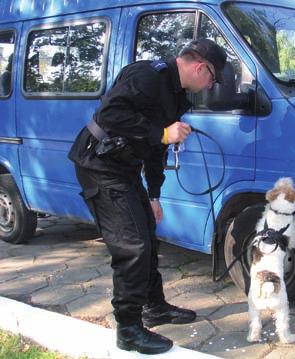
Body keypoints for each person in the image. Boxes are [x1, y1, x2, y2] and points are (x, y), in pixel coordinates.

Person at [68, 38, 227, 355]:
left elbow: (158, 149)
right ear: (200, 67)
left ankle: (154, 307)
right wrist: (161, 133)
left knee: (148, 237)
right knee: (132, 245)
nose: (210, 85)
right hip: (98, 165)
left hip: (125, 168)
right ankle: (128, 330)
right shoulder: (148, 75)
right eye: (212, 78)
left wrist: (154, 194)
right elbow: (111, 114)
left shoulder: (178, 96)